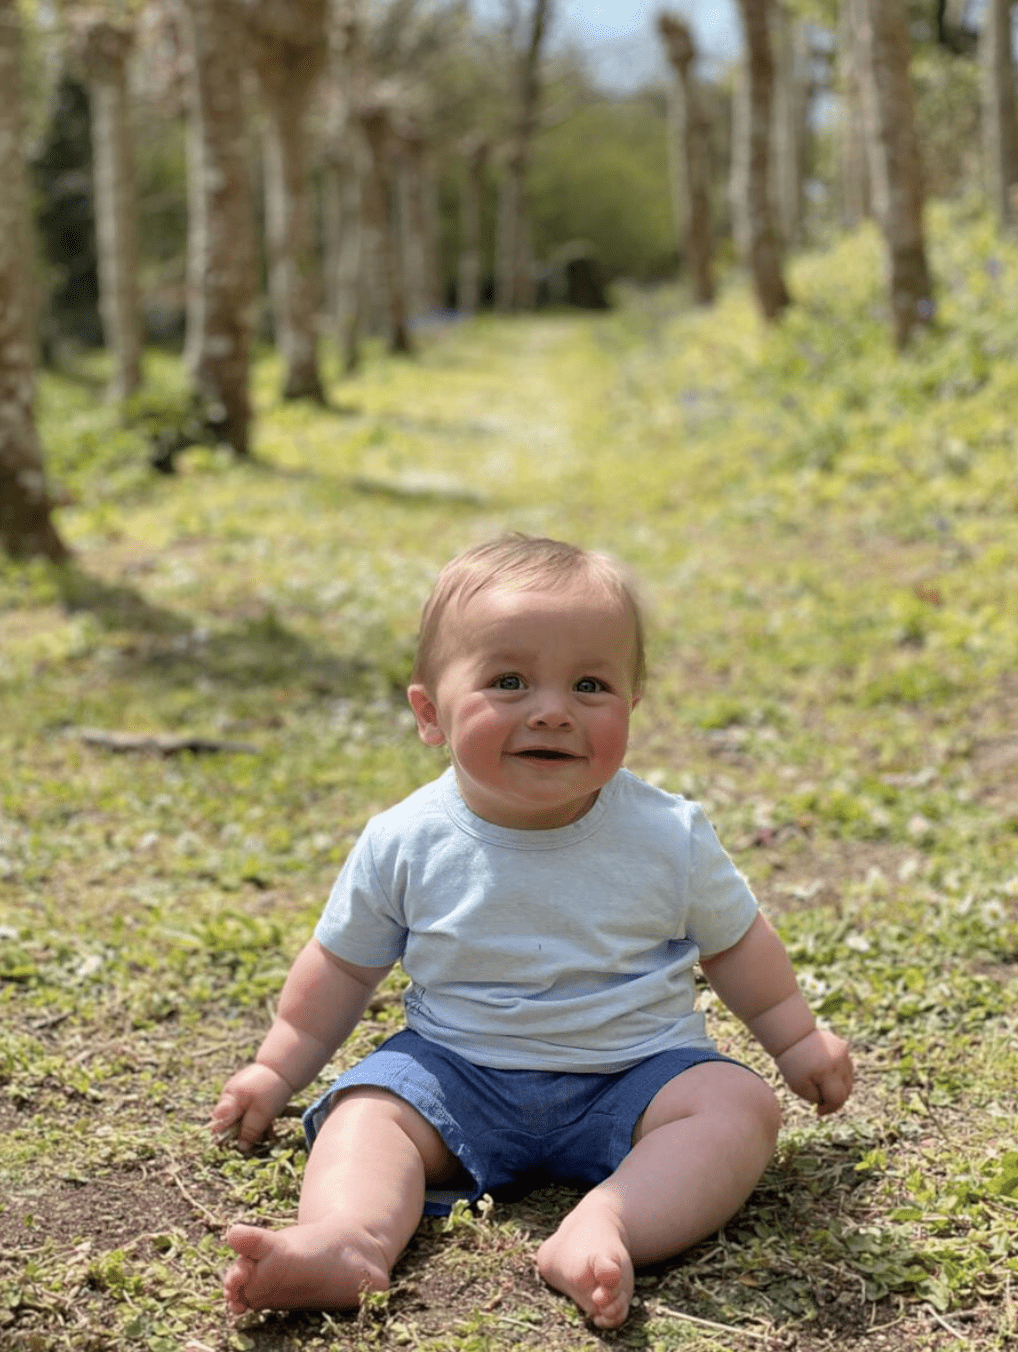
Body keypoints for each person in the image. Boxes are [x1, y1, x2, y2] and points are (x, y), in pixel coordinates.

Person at [210, 533, 853, 1330]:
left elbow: (736, 943)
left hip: (637, 1072)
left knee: (737, 1107)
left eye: (590, 684)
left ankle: (608, 1224)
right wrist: (275, 1070)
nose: (552, 710)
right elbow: (341, 969)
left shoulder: (668, 835)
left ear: (631, 705)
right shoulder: (406, 839)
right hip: (455, 1073)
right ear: (430, 714)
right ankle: (349, 1238)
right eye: (508, 682)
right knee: (367, 1112)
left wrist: (797, 1041)